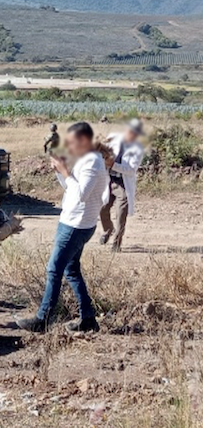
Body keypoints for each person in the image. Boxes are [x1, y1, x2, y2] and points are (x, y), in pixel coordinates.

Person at [18, 122, 109, 333]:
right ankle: (87, 318)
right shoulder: (88, 160)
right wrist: (61, 173)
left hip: (76, 225)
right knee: (71, 269)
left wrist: (65, 172)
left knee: (54, 269)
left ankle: (43, 318)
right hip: (76, 222)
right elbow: (71, 189)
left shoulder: (92, 163)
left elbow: (81, 195)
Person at [100, 119, 145, 252]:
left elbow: (131, 169)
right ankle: (108, 229)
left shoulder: (137, 149)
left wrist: (113, 165)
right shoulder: (114, 138)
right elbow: (103, 147)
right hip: (109, 180)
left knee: (121, 216)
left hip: (122, 185)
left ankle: (116, 244)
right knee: (102, 208)